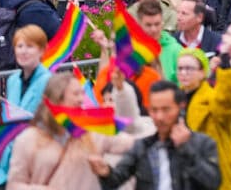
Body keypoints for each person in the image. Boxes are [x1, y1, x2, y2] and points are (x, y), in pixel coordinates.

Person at [9, 70, 138, 189]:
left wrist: (121, 91)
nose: (82, 99)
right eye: (76, 94)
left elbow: (135, 142)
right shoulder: (28, 139)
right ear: (56, 99)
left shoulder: (92, 131)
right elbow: (14, 185)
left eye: (82, 93)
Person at [88, 80, 222, 190]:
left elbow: (213, 182)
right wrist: (105, 172)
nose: (159, 117)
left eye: (166, 109)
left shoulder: (203, 143)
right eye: (154, 110)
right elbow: (116, 180)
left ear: (181, 108)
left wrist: (185, 148)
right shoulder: (142, 146)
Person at [175, 47, 231, 190]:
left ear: (202, 72)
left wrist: (226, 71)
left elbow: (228, 101)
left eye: (189, 68)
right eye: (180, 68)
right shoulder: (174, 100)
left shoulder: (213, 98)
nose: (183, 73)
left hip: (213, 173)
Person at [0, 25, 52, 186]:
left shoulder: (49, 81)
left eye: (30, 46)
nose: (23, 51)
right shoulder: (13, 80)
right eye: (19, 46)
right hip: (10, 159)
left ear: (41, 50)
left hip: (37, 158)